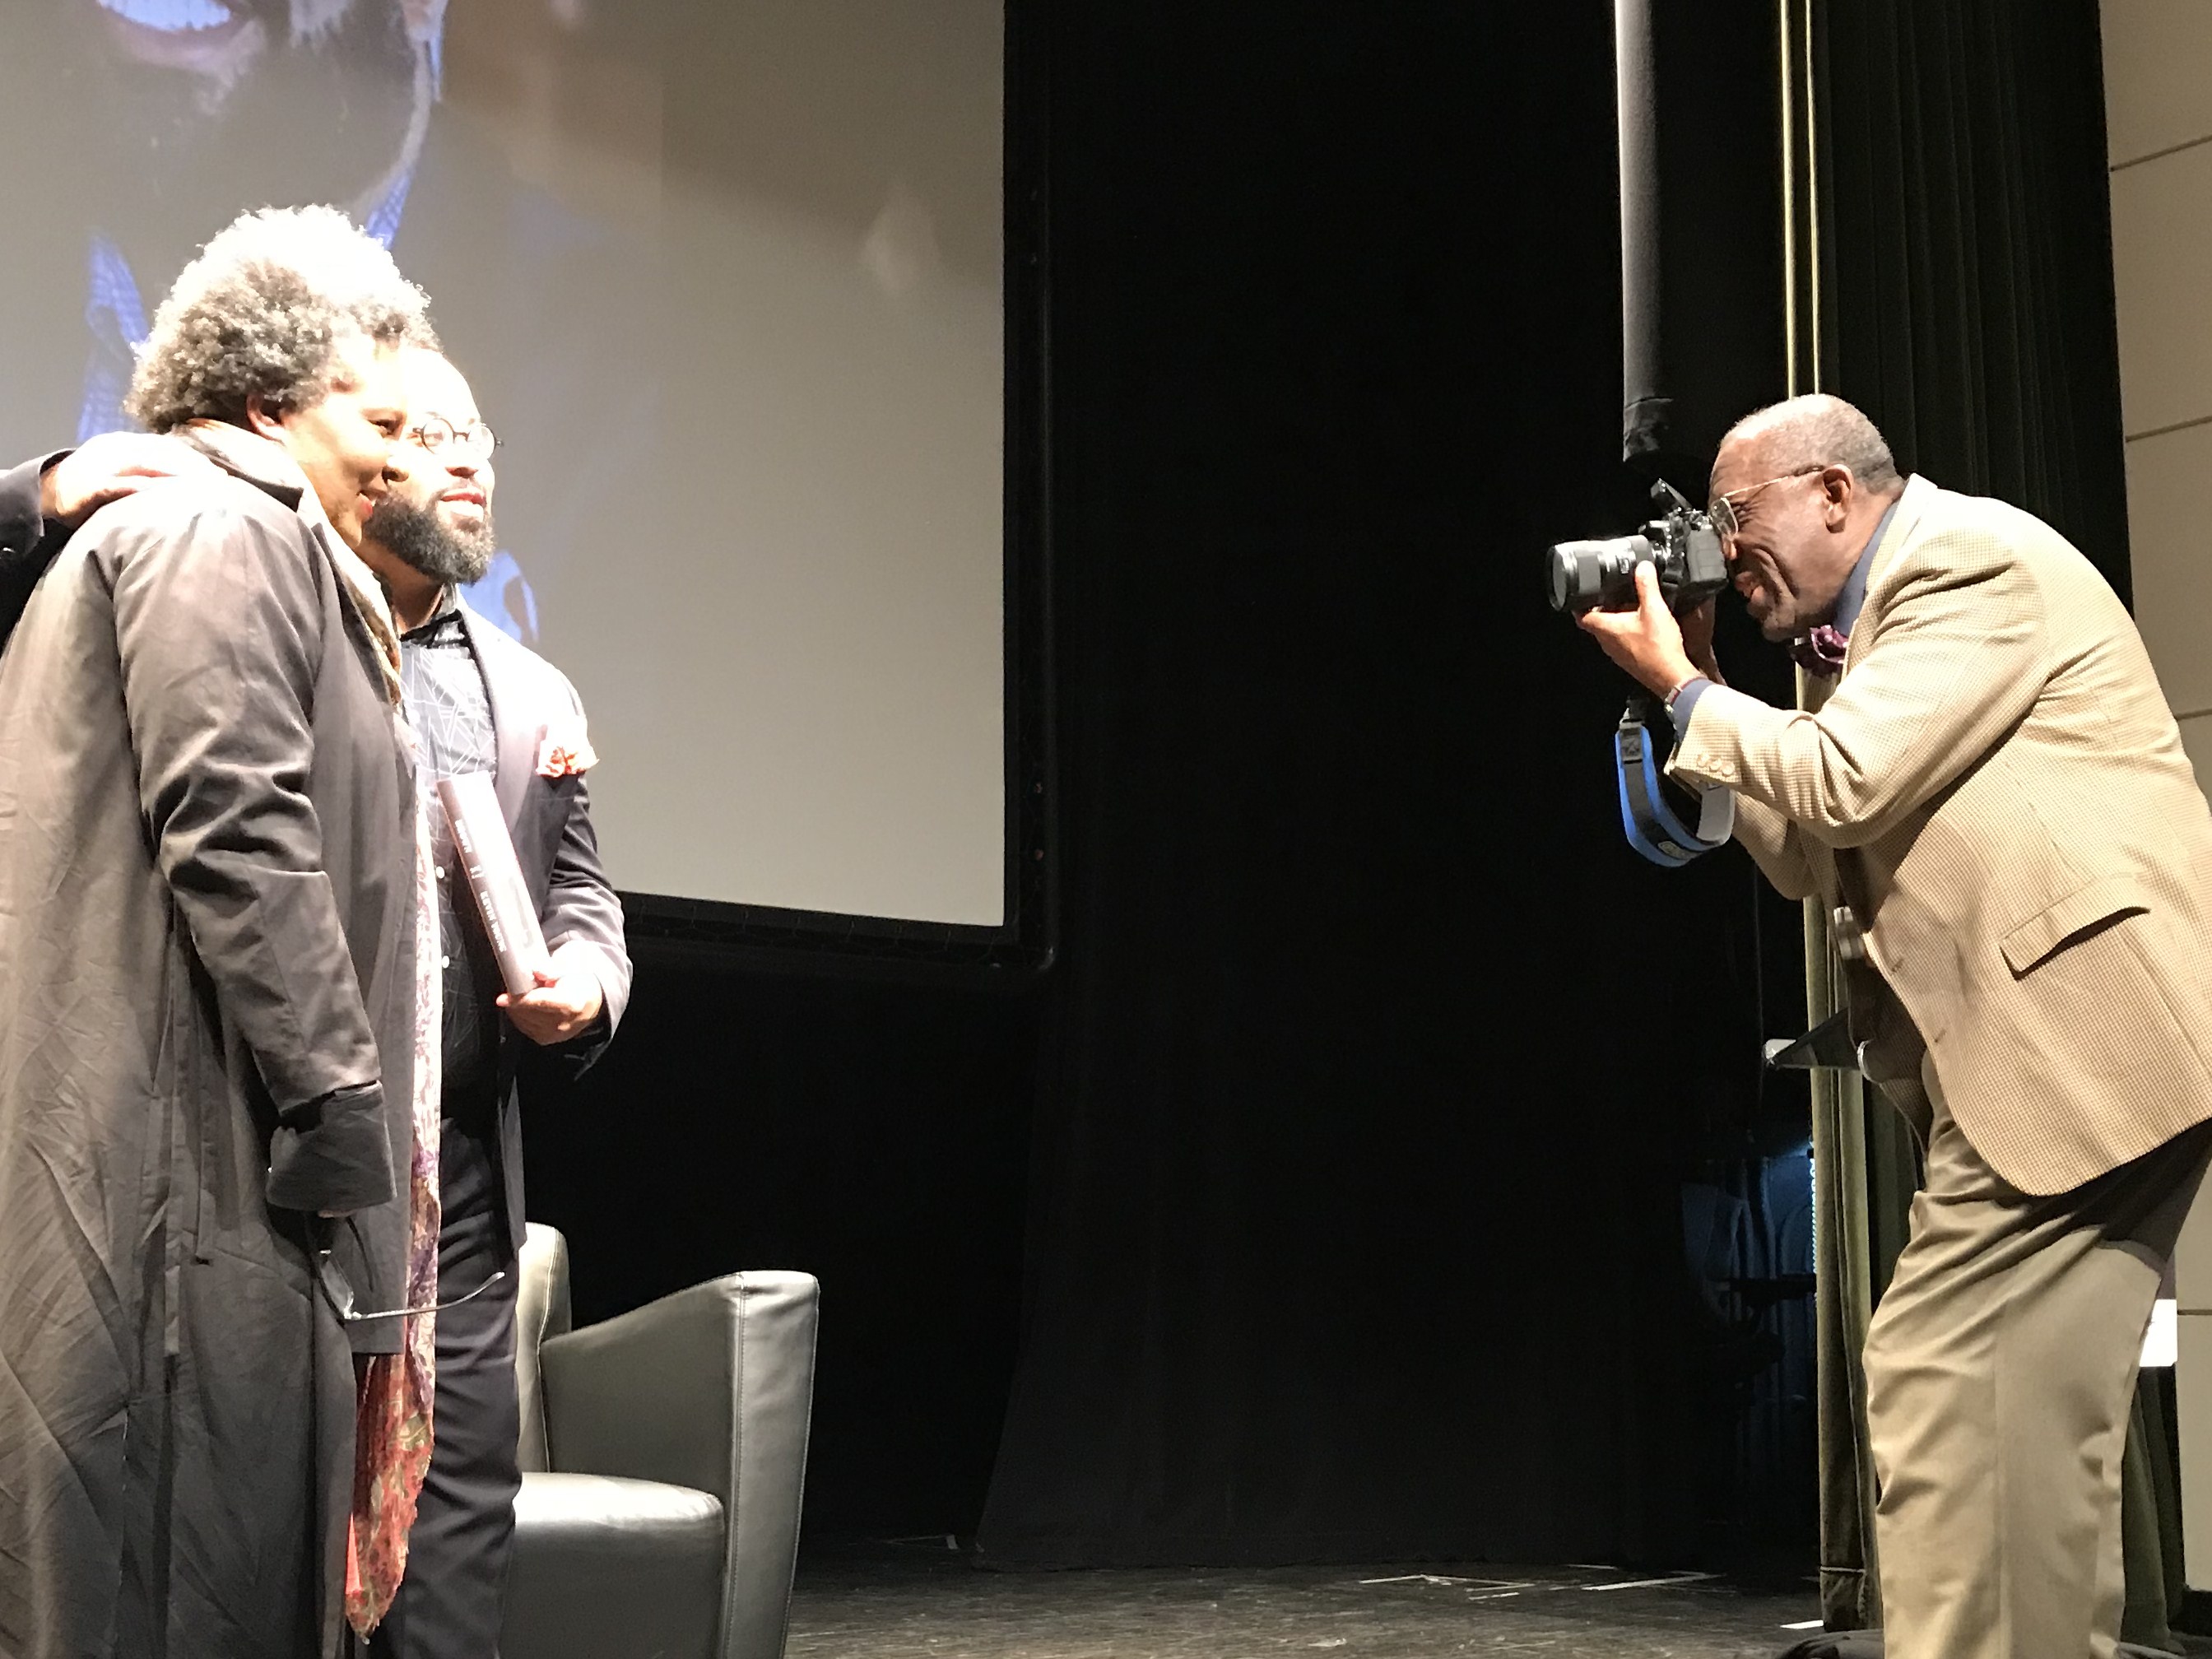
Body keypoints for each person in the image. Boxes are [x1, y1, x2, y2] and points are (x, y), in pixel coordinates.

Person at [1578, 393, 2212, 1659]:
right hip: (2050, 1060)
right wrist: (1689, 697)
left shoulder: (1962, 564)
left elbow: (1843, 780)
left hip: (2081, 1042)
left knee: (1944, 1379)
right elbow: (1819, 851)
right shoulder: (1871, 633)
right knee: (2011, 1427)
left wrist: (1685, 689)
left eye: (1735, 513)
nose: (1721, 540)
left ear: (1832, 493)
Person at [0, 205, 437, 1659]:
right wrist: (336, 1104)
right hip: (193, 1170)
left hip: (203, 1157)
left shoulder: (248, 540)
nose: (403, 447)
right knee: (189, 1573)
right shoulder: (219, 528)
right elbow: (236, 826)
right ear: (265, 405)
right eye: (375, 413)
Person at [354, 344, 631, 1659]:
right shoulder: (282, 625)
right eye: (429, 431)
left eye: (483, 438)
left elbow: (583, 897)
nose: (469, 458)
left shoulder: (529, 692)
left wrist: (587, 981)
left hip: (462, 1179)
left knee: (458, 1527)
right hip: (296, 1161)